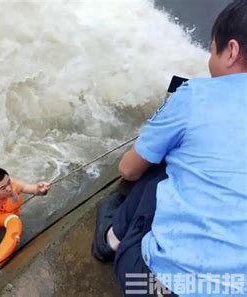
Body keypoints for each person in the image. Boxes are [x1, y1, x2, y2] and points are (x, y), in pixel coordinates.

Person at [91, 1, 247, 296]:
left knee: (160, 167)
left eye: (212, 47)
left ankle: (110, 238)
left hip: (151, 287)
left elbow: (128, 168)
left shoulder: (195, 95)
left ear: (232, 51)